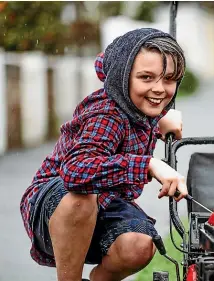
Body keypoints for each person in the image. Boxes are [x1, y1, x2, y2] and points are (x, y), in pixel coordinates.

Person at [19, 27, 188, 281]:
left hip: (108, 203)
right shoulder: (107, 114)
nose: (159, 89)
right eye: (146, 78)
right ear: (123, 75)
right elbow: (76, 172)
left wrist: (159, 120)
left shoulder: (135, 101)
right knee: (82, 195)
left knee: (139, 245)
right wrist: (150, 165)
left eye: (169, 79)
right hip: (57, 204)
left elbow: (109, 64)